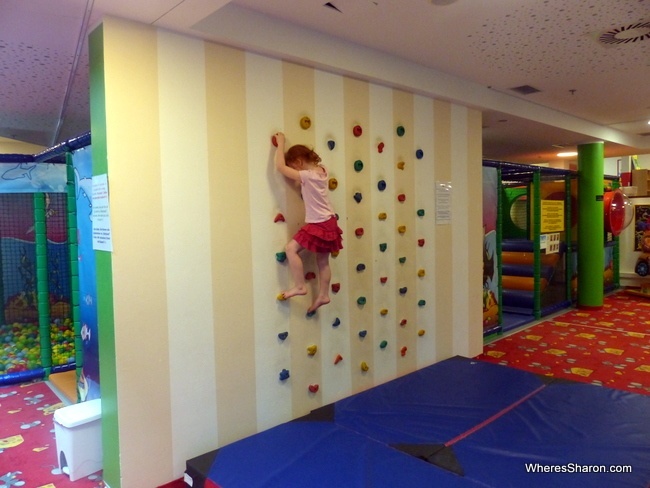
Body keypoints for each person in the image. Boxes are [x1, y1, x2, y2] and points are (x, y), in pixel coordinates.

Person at [273, 132, 343, 315]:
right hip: (330, 222)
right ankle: (323, 294)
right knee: (322, 261)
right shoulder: (322, 171)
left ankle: (299, 286)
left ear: (297, 162)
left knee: (290, 249)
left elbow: (280, 167)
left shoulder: (308, 175)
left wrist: (280, 144)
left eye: (293, 166)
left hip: (319, 223)